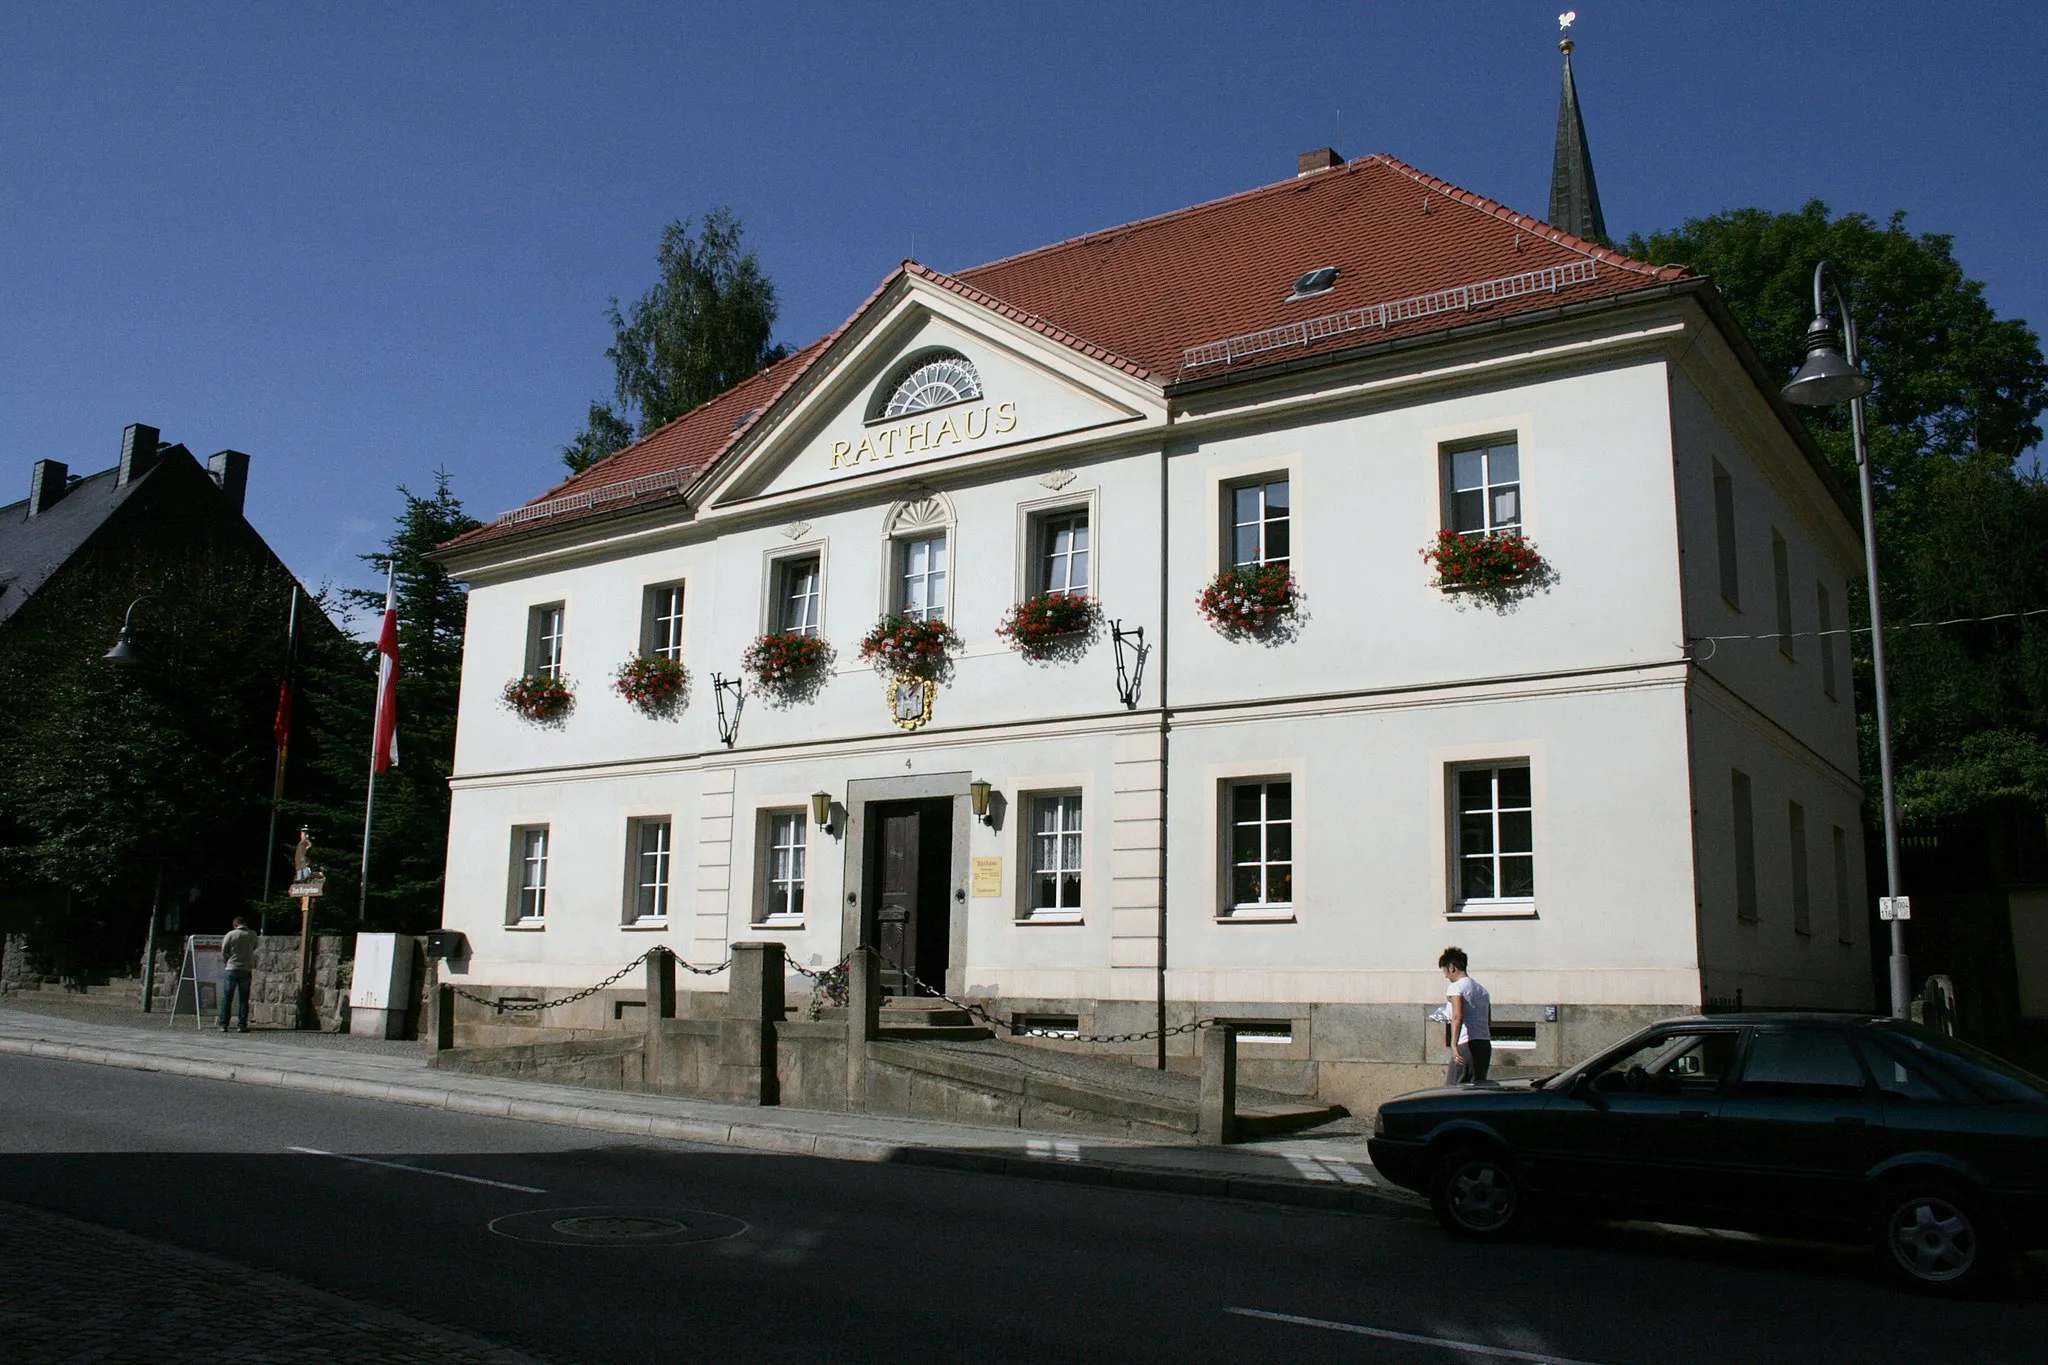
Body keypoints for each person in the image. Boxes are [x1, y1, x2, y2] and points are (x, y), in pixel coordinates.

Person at [1439, 946, 1491, 1084]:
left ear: (1451, 967)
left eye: (1445, 971)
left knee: (1452, 1088)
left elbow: (1458, 1016)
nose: (1445, 976)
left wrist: (1454, 1045)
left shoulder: (1456, 987)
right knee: (1476, 1089)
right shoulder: (1482, 991)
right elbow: (1488, 1020)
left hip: (1466, 1044)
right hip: (1484, 1044)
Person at [218, 917, 258, 1033]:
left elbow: (224, 949)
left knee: (227, 998)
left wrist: (227, 961)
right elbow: (255, 947)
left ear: (235, 924)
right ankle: (242, 1025)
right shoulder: (253, 934)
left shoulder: (231, 934)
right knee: (243, 999)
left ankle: (223, 1024)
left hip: (232, 967)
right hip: (246, 968)